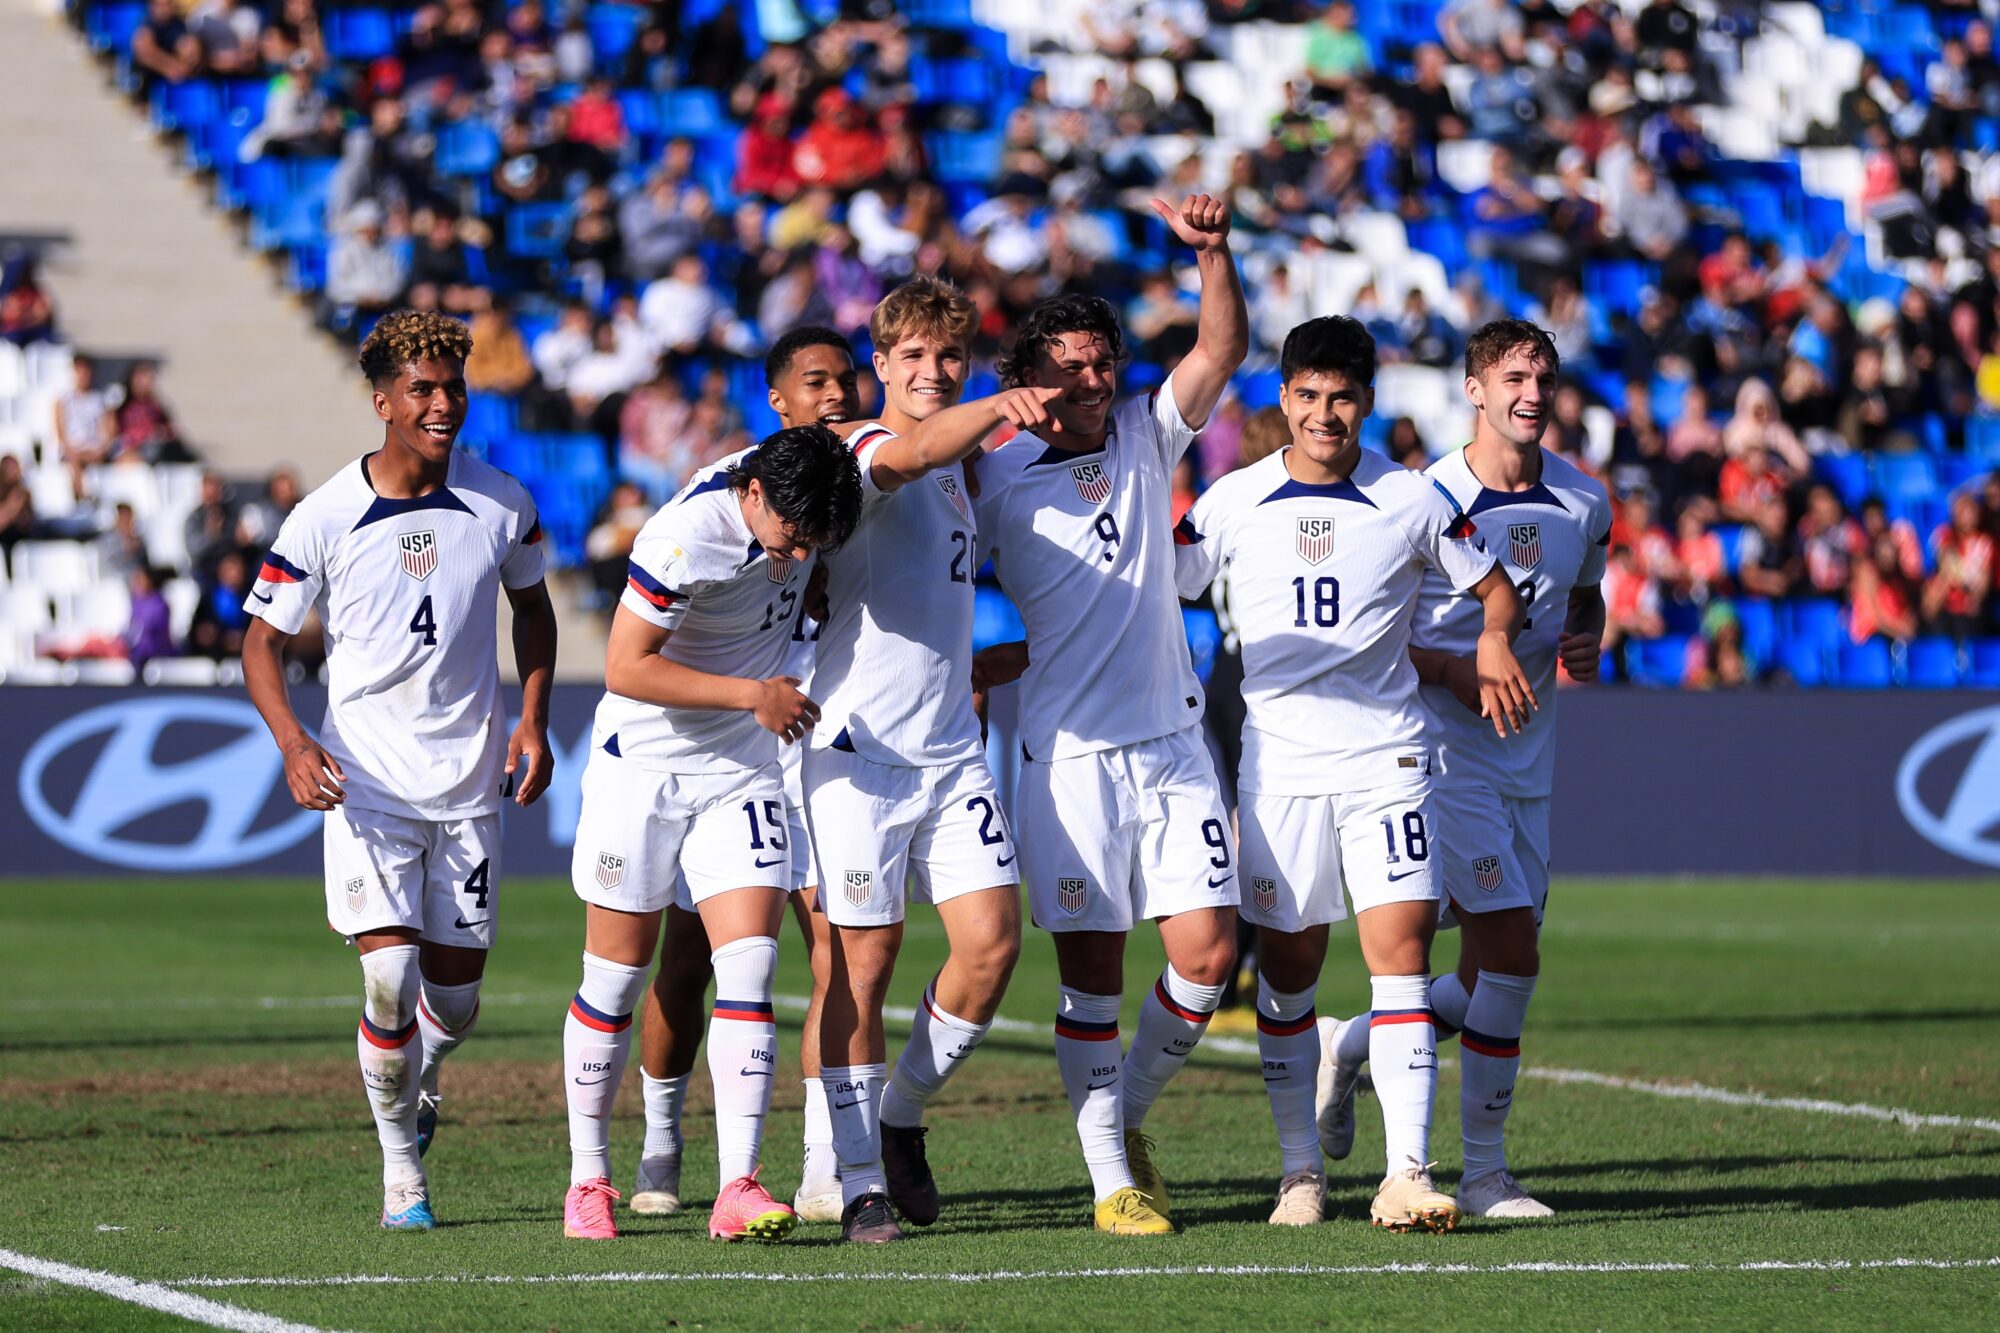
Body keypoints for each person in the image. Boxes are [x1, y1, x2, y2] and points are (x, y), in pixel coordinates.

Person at [1173, 317, 1531, 1231]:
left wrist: (1492, 639)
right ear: (1283, 400)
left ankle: (1407, 1173)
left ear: (1366, 402)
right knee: (1290, 972)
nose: (1325, 414)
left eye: (1343, 397)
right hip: (1281, 766)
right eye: (1308, 396)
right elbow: (1160, 579)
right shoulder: (1231, 498)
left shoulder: (1410, 499)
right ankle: (1300, 1173)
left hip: (1390, 760)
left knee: (1402, 963)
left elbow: (1495, 588)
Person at [241, 310, 559, 1232]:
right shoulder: (327, 514)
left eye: (453, 385)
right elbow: (260, 642)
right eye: (421, 388)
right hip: (366, 781)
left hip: (467, 784)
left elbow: (531, 610)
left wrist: (534, 714)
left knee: (452, 1003)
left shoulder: (503, 500)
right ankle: (401, 1178)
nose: (442, 403)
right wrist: (296, 744)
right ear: (381, 400)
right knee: (390, 980)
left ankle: (419, 1082)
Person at [967, 195, 1247, 1236]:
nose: (1090, 380)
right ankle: (1107, 1182)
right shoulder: (990, 473)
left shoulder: (1142, 431)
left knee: (1208, 956)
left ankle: (1118, 1118)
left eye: (1100, 361)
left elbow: (1220, 346)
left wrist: (1211, 252)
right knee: (1090, 974)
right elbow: (933, 558)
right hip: (1068, 756)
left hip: (1170, 742)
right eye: (1068, 366)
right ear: (1030, 376)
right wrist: (973, 658)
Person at [1319, 320, 1612, 1222]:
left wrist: (1584, 633)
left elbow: (1586, 584)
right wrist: (1459, 668)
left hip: (1531, 760)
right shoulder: (1424, 499)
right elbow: (1370, 643)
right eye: (1513, 375)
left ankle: (1354, 1041)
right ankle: (1485, 1173)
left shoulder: (1585, 500)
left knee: (1490, 972)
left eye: (1544, 376)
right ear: (1474, 391)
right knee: (1514, 953)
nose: (1532, 391)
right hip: (1440, 759)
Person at [559, 424, 861, 1244]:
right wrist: (750, 695)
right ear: (754, 495)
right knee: (615, 981)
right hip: (641, 767)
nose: (798, 557)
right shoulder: (684, 534)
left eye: (815, 545)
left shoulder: (798, 495)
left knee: (751, 970)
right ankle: (589, 1179)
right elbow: (626, 665)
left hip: (741, 772)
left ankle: (738, 1183)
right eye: (792, 541)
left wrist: (817, 565)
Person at [810, 280, 1058, 1244]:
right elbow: (912, 451)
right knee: (861, 963)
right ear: (881, 366)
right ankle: (861, 1180)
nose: (931, 370)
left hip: (951, 750)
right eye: (911, 356)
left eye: (949, 356)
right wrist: (995, 406)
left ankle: (900, 1113)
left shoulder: (965, 471)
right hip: (857, 751)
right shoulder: (863, 448)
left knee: (992, 947)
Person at [625, 326, 863, 1227]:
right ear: (778, 402)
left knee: (830, 948)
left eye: (847, 378)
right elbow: (642, 642)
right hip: (722, 741)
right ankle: (659, 1135)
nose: (836, 395)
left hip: (822, 738)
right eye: (816, 382)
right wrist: (742, 693)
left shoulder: (866, 477)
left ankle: (817, 1168)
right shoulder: (719, 502)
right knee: (685, 966)